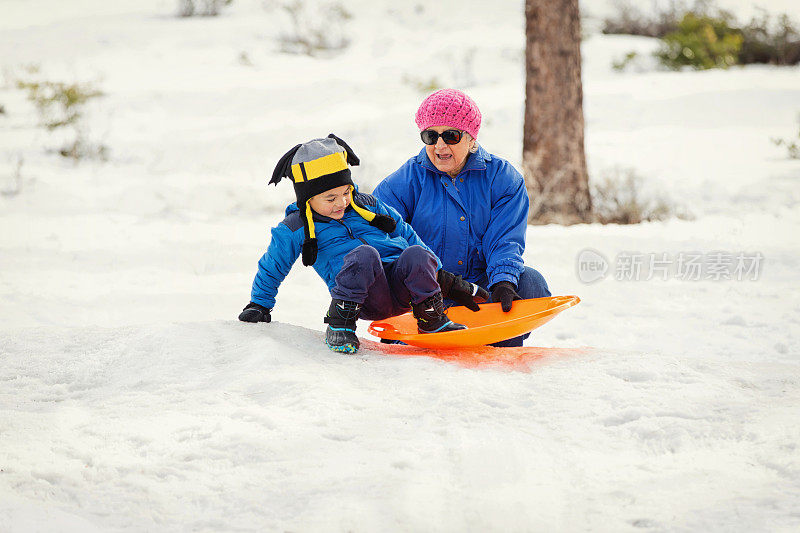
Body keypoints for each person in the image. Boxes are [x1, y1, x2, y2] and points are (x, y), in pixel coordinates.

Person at [238, 134, 489, 354]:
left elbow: (406, 232)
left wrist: (441, 277)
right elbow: (273, 265)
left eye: (346, 192)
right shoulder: (297, 226)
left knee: (416, 253)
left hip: (401, 289)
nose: (341, 203)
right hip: (359, 298)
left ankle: (431, 319)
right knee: (365, 255)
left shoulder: (367, 205)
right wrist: (259, 304)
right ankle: (340, 326)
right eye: (330, 198)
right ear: (307, 197)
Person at [373, 89, 551, 347]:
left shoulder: (503, 180)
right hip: (426, 292)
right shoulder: (404, 182)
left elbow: (504, 241)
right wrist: (430, 280)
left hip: (478, 290)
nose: (440, 146)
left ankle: (491, 342)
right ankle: (416, 336)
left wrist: (503, 281)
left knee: (531, 284)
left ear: (471, 139)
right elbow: (381, 239)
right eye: (431, 136)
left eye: (451, 135)